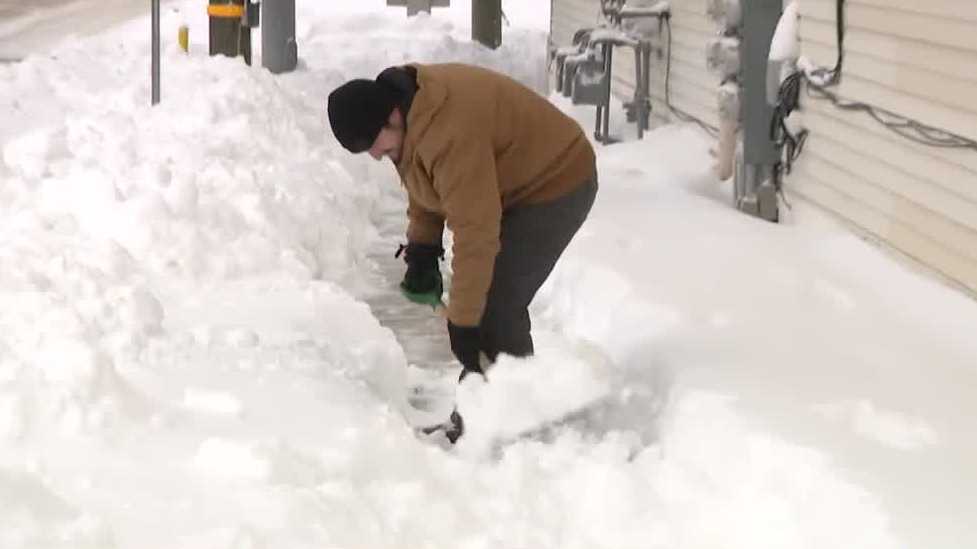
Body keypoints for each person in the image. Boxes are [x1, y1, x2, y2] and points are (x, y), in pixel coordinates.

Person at [327, 62, 597, 438]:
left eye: (376, 146)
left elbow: (476, 231)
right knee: (483, 302)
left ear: (391, 117)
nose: (376, 157)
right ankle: (481, 418)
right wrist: (423, 245)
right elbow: (426, 181)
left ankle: (516, 427)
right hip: (512, 183)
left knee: (497, 305)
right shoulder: (407, 115)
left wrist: (464, 321)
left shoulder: (448, 131)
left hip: (557, 179)